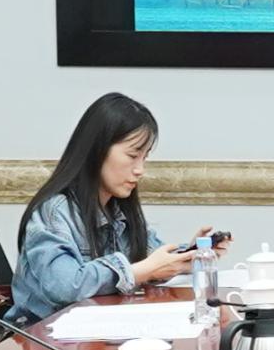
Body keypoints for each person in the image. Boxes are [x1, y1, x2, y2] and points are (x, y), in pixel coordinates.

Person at [18, 92, 192, 314]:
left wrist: (191, 254)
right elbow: (65, 286)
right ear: (97, 151)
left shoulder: (118, 210)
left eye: (144, 157)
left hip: (99, 328)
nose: (140, 170)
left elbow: (153, 258)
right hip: (43, 333)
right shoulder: (55, 212)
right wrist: (140, 271)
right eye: (132, 156)